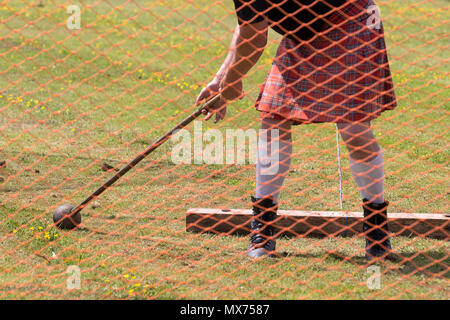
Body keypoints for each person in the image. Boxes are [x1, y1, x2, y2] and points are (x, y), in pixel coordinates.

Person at [196, 0, 397, 260]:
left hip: (351, 20)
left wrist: (232, 83)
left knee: (353, 127)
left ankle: (377, 230)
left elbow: (255, 38)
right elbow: (249, 26)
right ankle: (263, 230)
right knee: (273, 118)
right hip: (303, 32)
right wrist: (220, 80)